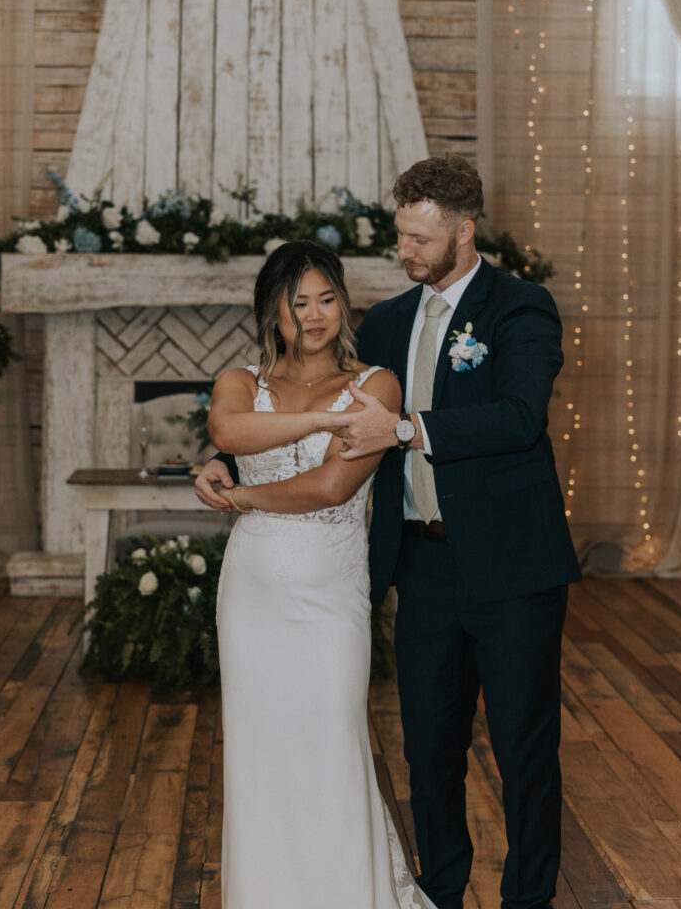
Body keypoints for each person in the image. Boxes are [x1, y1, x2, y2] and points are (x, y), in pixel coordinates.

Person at [196, 153, 582, 909]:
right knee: (430, 749)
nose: (400, 252)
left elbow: (517, 417)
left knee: (521, 750)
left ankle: (527, 900)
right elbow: (318, 402)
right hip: (420, 562)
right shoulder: (391, 319)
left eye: (415, 239)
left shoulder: (520, 307)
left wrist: (404, 429)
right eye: (398, 235)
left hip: (511, 568)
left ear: (462, 232)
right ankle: (438, 889)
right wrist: (225, 454)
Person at [200, 238, 438, 909]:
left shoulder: (376, 385)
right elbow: (226, 429)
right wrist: (313, 417)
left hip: (330, 587)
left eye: (325, 298)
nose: (313, 314)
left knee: (332, 736)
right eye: (295, 302)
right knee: (260, 750)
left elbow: (333, 486)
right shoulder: (241, 382)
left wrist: (241, 495)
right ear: (271, 312)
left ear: (343, 303)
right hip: (252, 591)